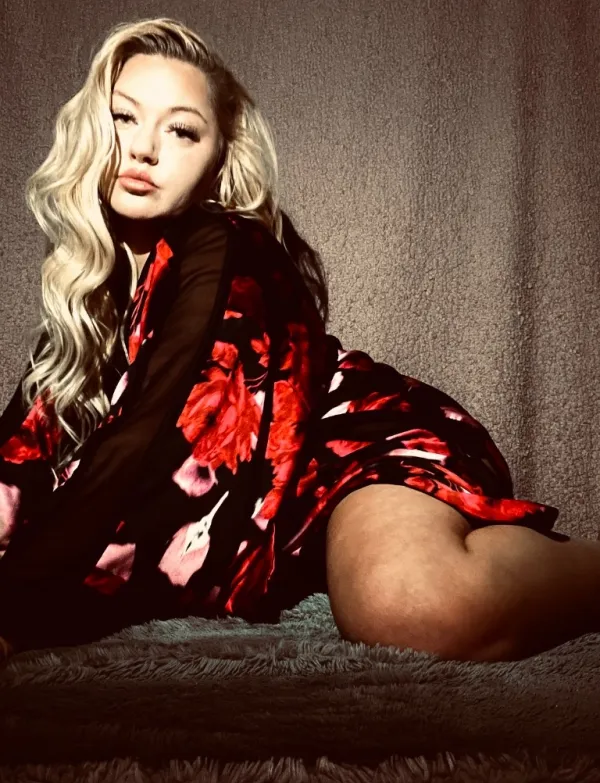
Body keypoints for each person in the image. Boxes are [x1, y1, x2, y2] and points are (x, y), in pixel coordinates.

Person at [0, 17, 598, 665]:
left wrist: (15, 608)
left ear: (217, 158)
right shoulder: (93, 286)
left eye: (181, 130)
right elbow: (18, 458)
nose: (144, 148)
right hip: (292, 509)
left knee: (404, 605)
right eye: (124, 117)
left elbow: (147, 445)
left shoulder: (222, 247)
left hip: (361, 447)